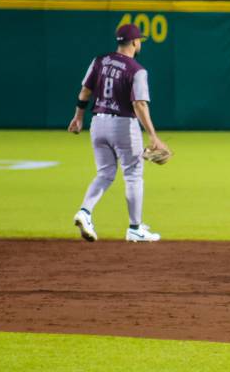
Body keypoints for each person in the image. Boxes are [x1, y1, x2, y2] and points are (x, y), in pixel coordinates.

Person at [67, 23, 168, 242]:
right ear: (134, 42)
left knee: (104, 174)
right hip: (123, 125)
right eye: (139, 39)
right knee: (133, 175)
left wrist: (78, 117)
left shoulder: (99, 61)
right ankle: (135, 228)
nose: (140, 42)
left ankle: (84, 212)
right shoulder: (137, 70)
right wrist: (153, 136)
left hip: (98, 124)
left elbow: (85, 91)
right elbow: (140, 104)